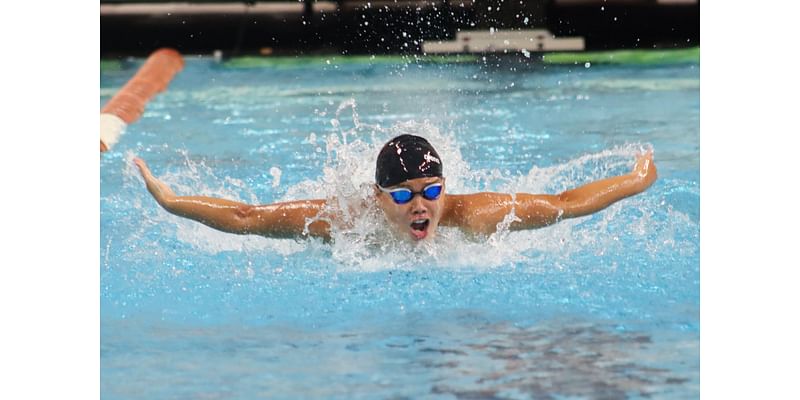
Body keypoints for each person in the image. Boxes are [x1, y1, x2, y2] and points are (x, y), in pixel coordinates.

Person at [134, 134, 657, 242]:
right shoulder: (343, 219)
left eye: (431, 191)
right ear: (378, 197)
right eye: (403, 195)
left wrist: (637, 179)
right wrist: (172, 200)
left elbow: (566, 204)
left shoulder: (473, 216)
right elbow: (248, 218)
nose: (421, 205)